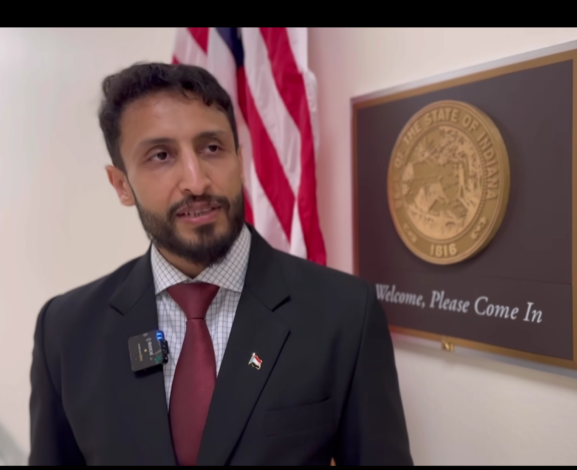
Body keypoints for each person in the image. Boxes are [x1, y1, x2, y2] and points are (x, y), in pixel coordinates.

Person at [28, 62, 412, 466]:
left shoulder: (345, 314)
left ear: (240, 159)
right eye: (161, 156)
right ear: (122, 185)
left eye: (212, 148)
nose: (196, 181)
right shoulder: (66, 331)